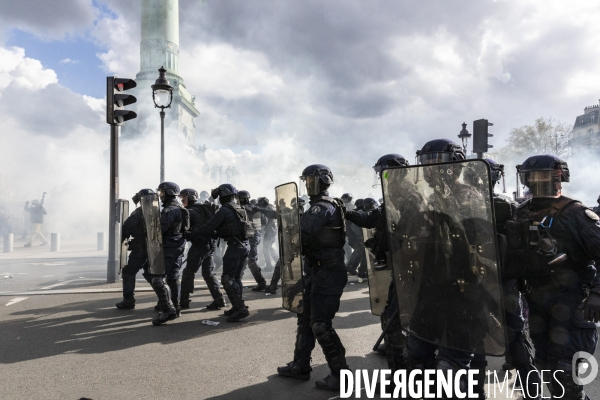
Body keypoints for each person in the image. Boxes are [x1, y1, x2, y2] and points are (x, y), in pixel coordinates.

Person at [506, 154, 600, 399]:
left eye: (544, 176)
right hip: (538, 304)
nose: (537, 182)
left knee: (567, 379)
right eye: (531, 177)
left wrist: (597, 293)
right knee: (550, 372)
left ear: (560, 177)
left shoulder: (578, 214)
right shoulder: (520, 213)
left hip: (572, 302)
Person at [277, 164, 349, 391]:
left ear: (321, 181)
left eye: (310, 180)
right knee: (305, 318)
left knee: (320, 324)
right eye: (305, 180)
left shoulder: (322, 208)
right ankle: (300, 366)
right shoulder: (321, 206)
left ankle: (341, 375)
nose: (307, 185)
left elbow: (302, 236)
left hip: (329, 272)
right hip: (317, 270)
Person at [346, 153, 412, 374]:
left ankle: (404, 376)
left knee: (395, 322)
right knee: (392, 319)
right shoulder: (391, 200)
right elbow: (370, 219)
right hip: (403, 270)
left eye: (383, 173)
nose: (381, 177)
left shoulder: (411, 198)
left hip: (415, 272)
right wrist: (345, 212)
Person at [185, 184, 251, 322]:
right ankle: (237, 305)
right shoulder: (239, 207)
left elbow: (210, 226)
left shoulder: (225, 210)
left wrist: (193, 233)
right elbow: (233, 227)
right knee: (236, 278)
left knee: (227, 278)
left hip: (235, 247)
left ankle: (240, 309)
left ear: (222, 196)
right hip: (244, 245)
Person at [178, 188, 226, 310]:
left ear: (191, 197)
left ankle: (184, 302)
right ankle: (219, 299)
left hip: (200, 245)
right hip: (208, 245)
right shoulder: (201, 208)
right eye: (181, 197)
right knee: (208, 274)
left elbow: (199, 229)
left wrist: (189, 234)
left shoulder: (192, 212)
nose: (182, 200)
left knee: (188, 272)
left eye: (184, 197)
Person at [151, 182, 189, 326]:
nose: (160, 195)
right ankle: (176, 307)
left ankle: (168, 309)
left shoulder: (169, 210)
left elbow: (160, 230)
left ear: (168, 192)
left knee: (158, 279)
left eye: (162, 192)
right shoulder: (180, 207)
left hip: (168, 247)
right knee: (173, 277)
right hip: (178, 246)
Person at [115, 189, 155, 310]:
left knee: (128, 272)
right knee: (151, 274)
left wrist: (124, 237)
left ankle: (128, 300)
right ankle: (165, 301)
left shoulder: (139, 211)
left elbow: (128, 227)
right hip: (153, 248)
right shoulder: (156, 210)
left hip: (140, 249)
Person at [238, 190, 268, 291]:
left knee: (251, 261)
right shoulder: (253, 207)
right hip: (255, 236)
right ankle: (237, 280)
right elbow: (264, 221)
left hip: (250, 237)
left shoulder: (244, 209)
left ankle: (261, 282)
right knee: (245, 260)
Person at [257, 197, 278, 272]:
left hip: (270, 230)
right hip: (270, 230)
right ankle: (278, 263)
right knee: (269, 247)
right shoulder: (269, 208)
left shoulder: (269, 209)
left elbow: (266, 219)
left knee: (265, 248)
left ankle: (269, 266)